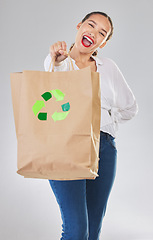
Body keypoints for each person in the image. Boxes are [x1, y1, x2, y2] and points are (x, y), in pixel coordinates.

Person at [44, 11, 138, 240]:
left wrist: (105, 121)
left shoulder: (109, 67)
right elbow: (55, 88)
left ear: (103, 43)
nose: (94, 33)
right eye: (91, 25)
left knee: (92, 231)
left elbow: (130, 108)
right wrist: (58, 61)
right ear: (79, 26)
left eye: (102, 33)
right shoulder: (58, 61)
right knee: (76, 231)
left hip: (104, 149)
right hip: (67, 147)